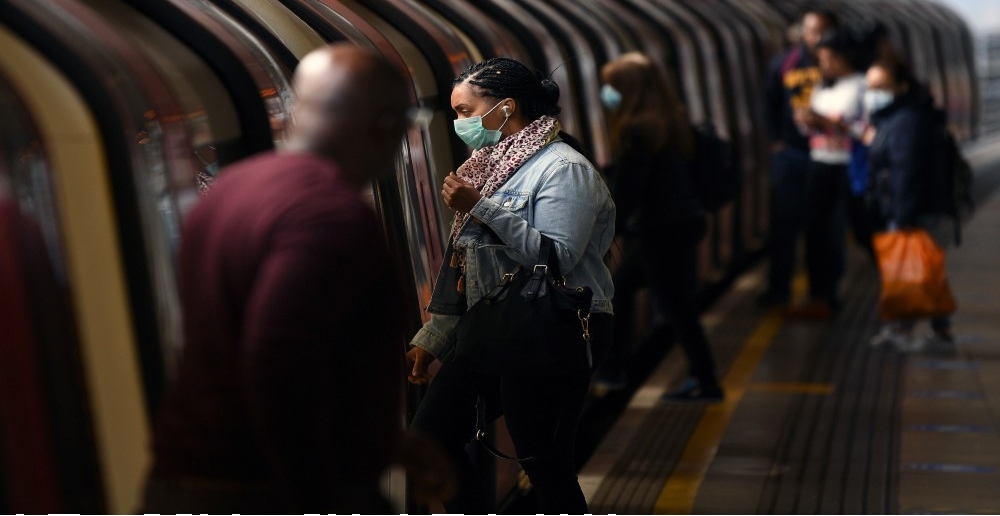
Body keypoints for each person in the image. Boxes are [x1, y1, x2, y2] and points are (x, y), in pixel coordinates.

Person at [143, 43, 441, 514]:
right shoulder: (329, 215)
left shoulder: (231, 190)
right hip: (261, 488)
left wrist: (387, 444)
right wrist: (316, 496)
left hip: (193, 477)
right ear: (386, 127)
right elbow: (277, 355)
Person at [405, 57, 616, 514]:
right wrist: (436, 338)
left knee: (545, 462)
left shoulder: (563, 169)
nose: (460, 123)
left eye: (465, 112)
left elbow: (557, 257)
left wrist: (481, 207)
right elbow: (466, 266)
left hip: (552, 329)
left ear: (505, 108)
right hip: (496, 326)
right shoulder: (492, 166)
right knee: (428, 440)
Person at [594, 52, 724, 403]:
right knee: (633, 292)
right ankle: (616, 368)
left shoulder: (639, 129)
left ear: (628, 89)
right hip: (680, 222)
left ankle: (705, 381)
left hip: (662, 229)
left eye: (612, 86)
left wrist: (605, 231)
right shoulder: (669, 117)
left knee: (676, 307)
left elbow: (630, 191)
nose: (607, 93)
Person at [863, 58, 956, 352]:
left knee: (908, 270)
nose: (873, 93)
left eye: (880, 87)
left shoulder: (907, 120)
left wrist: (903, 214)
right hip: (916, 204)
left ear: (901, 87)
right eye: (870, 87)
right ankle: (940, 331)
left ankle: (901, 330)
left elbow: (906, 168)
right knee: (925, 269)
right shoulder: (899, 117)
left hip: (912, 206)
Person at [758, 8, 838, 309]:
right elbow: (768, 101)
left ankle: (824, 293)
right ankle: (779, 290)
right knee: (784, 227)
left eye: (823, 31)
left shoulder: (838, 64)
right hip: (792, 154)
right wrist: (777, 141)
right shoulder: (786, 62)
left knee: (825, 228)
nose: (816, 38)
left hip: (827, 156)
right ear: (802, 33)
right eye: (812, 31)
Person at [787, 26, 868, 319]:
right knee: (814, 229)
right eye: (822, 58)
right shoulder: (823, 86)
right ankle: (821, 295)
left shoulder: (862, 85)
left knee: (862, 227)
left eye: (831, 58)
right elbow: (813, 126)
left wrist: (831, 122)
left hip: (851, 163)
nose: (826, 64)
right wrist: (806, 121)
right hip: (821, 160)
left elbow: (868, 130)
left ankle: (893, 282)